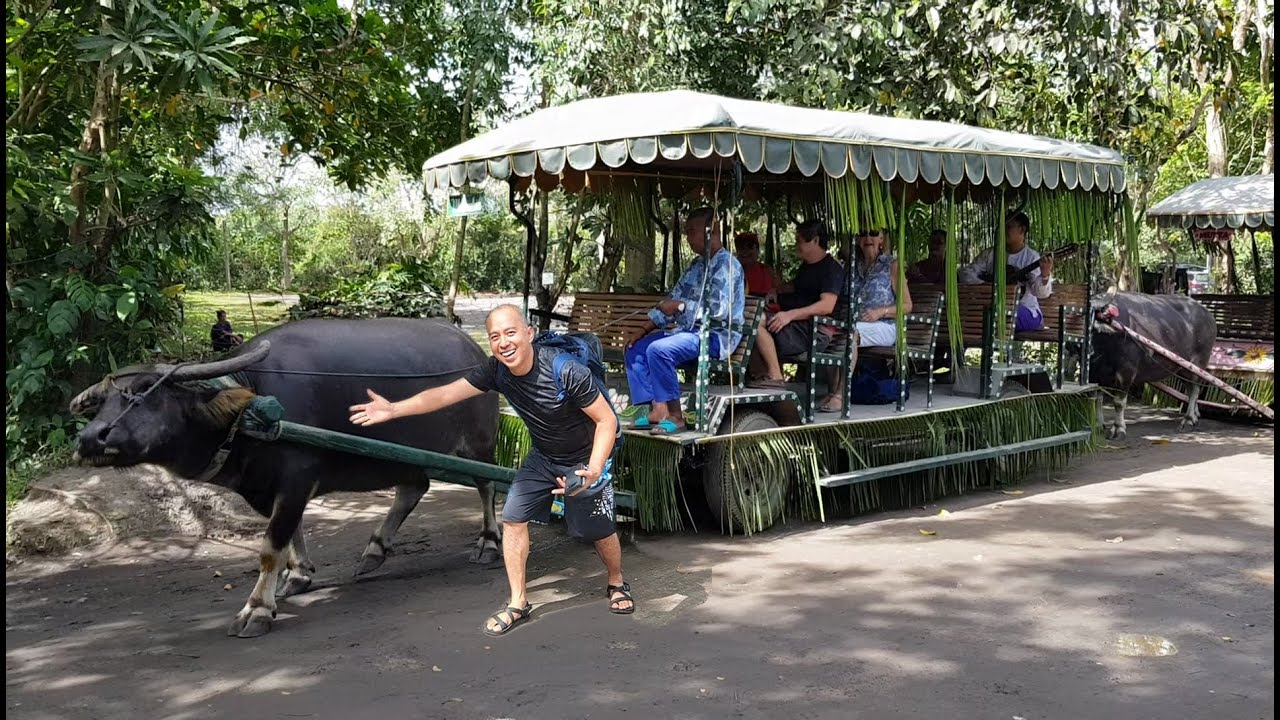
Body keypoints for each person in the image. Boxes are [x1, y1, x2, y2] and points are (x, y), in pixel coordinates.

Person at [348, 305, 633, 636]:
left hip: (585, 458)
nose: (503, 343)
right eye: (495, 337)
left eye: (511, 333)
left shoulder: (565, 370)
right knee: (512, 519)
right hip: (543, 457)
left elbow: (607, 420)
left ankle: (616, 581)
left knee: (594, 530)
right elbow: (445, 394)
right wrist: (394, 409)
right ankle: (518, 602)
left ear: (529, 334)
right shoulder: (496, 371)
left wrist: (594, 467)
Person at [624, 207, 745, 435]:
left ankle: (676, 417)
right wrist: (642, 330)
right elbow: (671, 301)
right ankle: (658, 409)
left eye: (691, 231)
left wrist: (680, 307)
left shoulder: (728, 265)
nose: (687, 238)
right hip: (686, 332)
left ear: (711, 231)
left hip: (715, 336)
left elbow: (718, 310)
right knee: (635, 349)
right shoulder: (696, 265)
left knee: (659, 350)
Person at [818, 229, 913, 411]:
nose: (867, 238)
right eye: (862, 234)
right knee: (831, 332)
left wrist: (881, 312)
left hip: (886, 325)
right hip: (855, 323)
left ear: (881, 238)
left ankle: (841, 395)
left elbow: (907, 306)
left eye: (873, 233)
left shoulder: (892, 265)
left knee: (850, 333)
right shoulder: (852, 266)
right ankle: (832, 393)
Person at [747, 220, 846, 389]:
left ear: (815, 241)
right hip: (798, 326)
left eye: (799, 241)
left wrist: (789, 315)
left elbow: (826, 306)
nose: (796, 245)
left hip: (815, 331)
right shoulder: (807, 267)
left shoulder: (832, 269)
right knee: (748, 316)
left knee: (757, 320)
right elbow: (796, 287)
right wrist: (775, 292)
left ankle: (775, 376)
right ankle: (761, 376)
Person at [959, 212, 1053, 332]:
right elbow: (965, 273)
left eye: (1008, 227)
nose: (1003, 230)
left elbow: (1041, 294)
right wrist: (984, 285)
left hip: (1025, 310)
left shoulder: (1031, 257)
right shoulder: (990, 254)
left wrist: (1045, 275)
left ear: (1022, 229)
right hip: (991, 308)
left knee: (1000, 315)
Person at [734, 232, 777, 298]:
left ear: (757, 250)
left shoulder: (767, 271)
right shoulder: (731, 272)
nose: (745, 251)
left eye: (750, 247)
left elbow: (778, 290)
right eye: (741, 247)